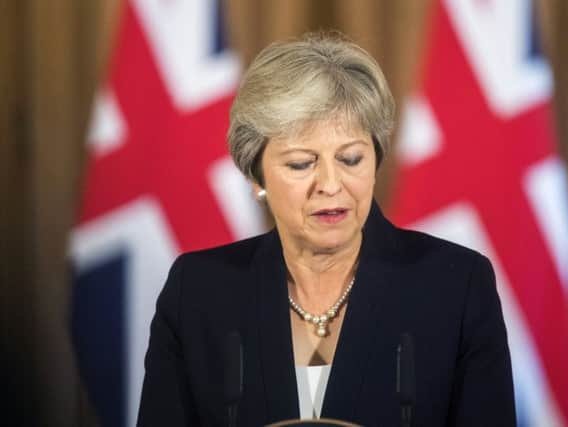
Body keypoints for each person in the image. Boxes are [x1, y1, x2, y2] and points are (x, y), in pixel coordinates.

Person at [137, 32, 515, 426]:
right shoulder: (198, 291)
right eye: (302, 164)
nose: (331, 184)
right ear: (256, 176)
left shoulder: (455, 285)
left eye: (351, 159)